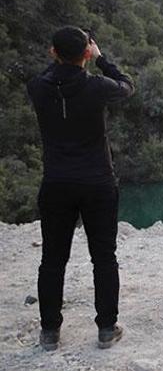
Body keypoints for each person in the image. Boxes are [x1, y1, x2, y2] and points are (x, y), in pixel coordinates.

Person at [27, 26, 135, 351]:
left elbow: (50, 75)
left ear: (52, 53)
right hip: (98, 182)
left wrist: (62, 59)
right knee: (104, 258)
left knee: (52, 260)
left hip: (57, 183)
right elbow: (127, 87)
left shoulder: (37, 88)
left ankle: (49, 333)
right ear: (87, 53)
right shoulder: (98, 86)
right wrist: (101, 60)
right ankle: (105, 328)